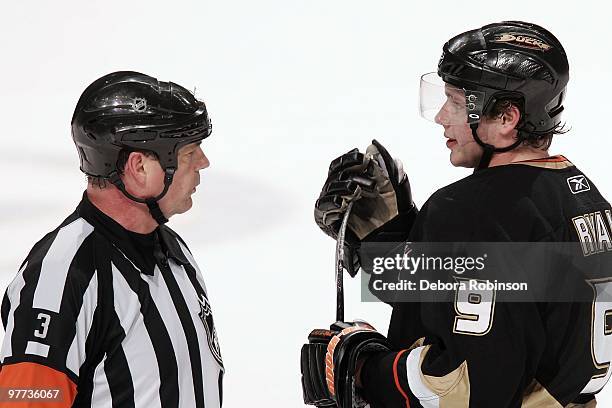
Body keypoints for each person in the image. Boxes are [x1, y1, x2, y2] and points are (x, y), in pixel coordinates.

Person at [301, 21, 612, 407]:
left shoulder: (474, 209)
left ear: (506, 118)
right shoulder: (585, 198)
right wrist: (390, 244)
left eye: (457, 102)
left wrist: (368, 373)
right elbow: (504, 308)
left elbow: (468, 383)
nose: (441, 116)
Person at [0, 72, 224, 407]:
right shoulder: (61, 276)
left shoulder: (175, 253)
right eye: (190, 152)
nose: (203, 163)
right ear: (139, 167)